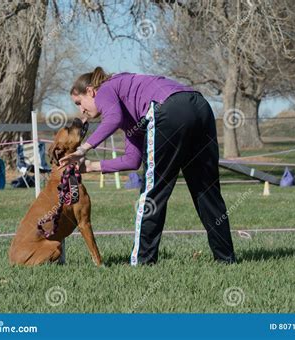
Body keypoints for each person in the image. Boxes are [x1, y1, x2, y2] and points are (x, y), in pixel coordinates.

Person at [59, 67, 236, 265]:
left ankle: (142, 261)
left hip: (169, 109)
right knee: (207, 190)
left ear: (91, 91)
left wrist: (83, 149)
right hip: (200, 107)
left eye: (79, 102)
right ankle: (226, 258)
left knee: (153, 192)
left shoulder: (107, 87)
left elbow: (113, 118)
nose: (81, 111)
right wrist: (90, 166)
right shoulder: (131, 112)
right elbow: (132, 160)